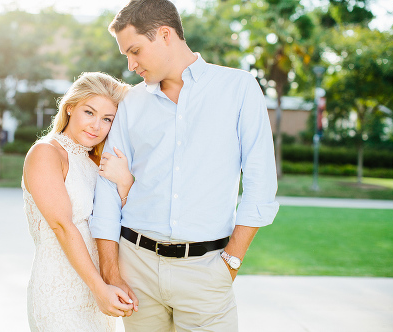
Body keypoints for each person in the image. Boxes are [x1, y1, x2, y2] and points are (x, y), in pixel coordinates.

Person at [89, 0, 280, 330]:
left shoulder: (238, 88)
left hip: (206, 272)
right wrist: (111, 271)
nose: (132, 64)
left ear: (164, 35)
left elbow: (260, 185)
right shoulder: (132, 102)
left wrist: (230, 262)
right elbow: (107, 188)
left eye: (135, 51)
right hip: (136, 270)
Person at [22, 72, 135, 331]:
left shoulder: (98, 161)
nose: (96, 125)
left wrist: (124, 182)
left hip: (98, 290)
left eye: (107, 119)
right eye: (89, 112)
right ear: (70, 107)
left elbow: (123, 221)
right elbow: (63, 226)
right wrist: (99, 289)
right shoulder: (46, 153)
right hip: (60, 292)